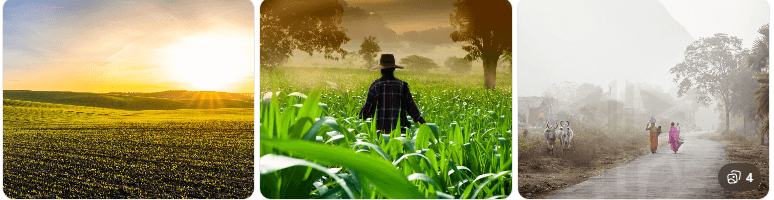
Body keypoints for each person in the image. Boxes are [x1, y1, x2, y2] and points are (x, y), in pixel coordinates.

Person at [359, 54, 427, 137]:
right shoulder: (402, 86)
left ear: (381, 70)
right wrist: (427, 126)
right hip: (400, 135)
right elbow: (413, 110)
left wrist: (357, 124)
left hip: (379, 134)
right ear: (394, 69)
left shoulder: (375, 85)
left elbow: (366, 111)